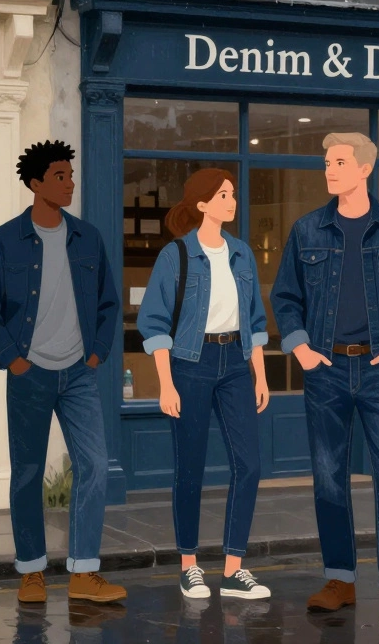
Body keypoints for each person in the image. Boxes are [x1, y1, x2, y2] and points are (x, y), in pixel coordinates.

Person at [270, 132, 379, 620]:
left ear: (365, 168)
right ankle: (340, 579)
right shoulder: (306, 230)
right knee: (328, 477)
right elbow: (285, 296)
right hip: (325, 369)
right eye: (327, 162)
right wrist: (301, 348)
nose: (329, 169)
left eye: (339, 162)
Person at [0, 140, 126, 605]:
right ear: (36, 183)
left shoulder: (88, 238)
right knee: (28, 473)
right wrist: (13, 359)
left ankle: (84, 572)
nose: (70, 183)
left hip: (79, 373)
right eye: (60, 176)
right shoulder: (4, 241)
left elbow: (108, 302)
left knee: (94, 464)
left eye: (70, 175)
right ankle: (32, 572)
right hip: (29, 373)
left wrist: (96, 354)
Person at [137, 168, 273, 601]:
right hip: (189, 364)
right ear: (201, 204)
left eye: (232, 194)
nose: (231, 201)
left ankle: (233, 570)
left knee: (249, 465)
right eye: (223, 195)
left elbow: (255, 320)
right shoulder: (175, 255)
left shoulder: (242, 253)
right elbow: (154, 322)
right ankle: (189, 565)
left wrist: (260, 374)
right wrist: (166, 384)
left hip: (235, 362)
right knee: (190, 467)